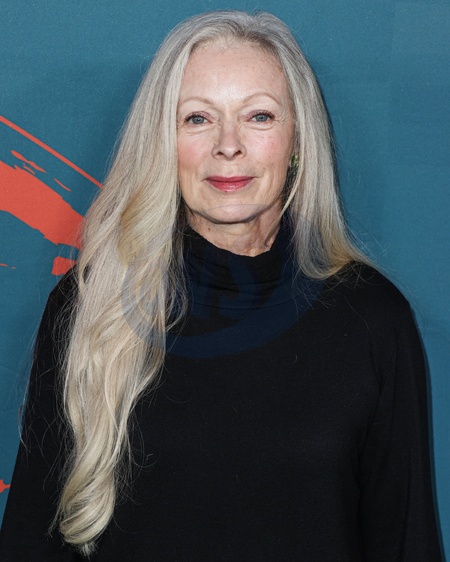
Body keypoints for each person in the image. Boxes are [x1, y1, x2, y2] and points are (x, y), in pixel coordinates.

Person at [0, 10, 442, 561]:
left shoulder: (373, 319)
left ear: (297, 140)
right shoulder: (94, 304)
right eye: (197, 118)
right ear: (164, 142)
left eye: (259, 116)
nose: (227, 145)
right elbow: (32, 541)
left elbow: (405, 542)